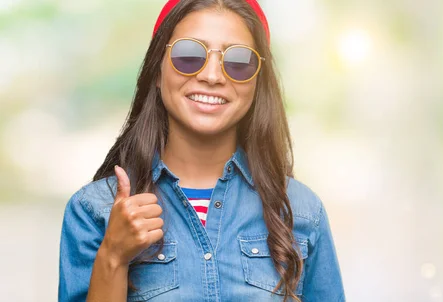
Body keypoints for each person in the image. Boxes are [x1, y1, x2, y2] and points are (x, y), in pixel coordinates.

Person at [58, 0, 345, 301]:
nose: (212, 76)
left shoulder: (301, 212)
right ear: (157, 71)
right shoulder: (94, 212)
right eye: (189, 55)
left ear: (258, 83)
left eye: (238, 61)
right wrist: (114, 256)